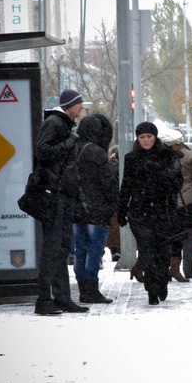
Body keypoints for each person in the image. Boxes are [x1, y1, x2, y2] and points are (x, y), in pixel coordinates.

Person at [33, 88, 90, 315]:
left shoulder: (64, 125)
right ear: (69, 105)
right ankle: (43, 301)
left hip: (64, 195)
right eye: (79, 104)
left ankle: (62, 298)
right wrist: (70, 141)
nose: (82, 107)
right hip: (53, 195)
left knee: (61, 249)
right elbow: (43, 151)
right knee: (52, 249)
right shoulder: (55, 123)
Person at [117, 122, 183, 305]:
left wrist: (164, 181)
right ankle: (151, 290)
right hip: (140, 212)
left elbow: (179, 181)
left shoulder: (167, 156)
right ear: (137, 139)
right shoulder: (132, 158)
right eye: (142, 137)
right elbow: (127, 184)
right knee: (147, 251)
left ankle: (161, 282)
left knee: (162, 251)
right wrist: (121, 209)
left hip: (163, 211)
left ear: (155, 137)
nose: (145, 140)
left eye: (149, 137)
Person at [73, 113, 118, 304]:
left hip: (77, 208)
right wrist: (112, 205)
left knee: (80, 249)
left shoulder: (73, 148)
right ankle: (91, 287)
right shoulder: (98, 153)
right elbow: (109, 183)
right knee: (94, 250)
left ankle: (83, 286)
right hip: (97, 210)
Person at [160, 129, 192, 282]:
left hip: (169, 202)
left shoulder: (161, 157)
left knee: (170, 236)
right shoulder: (191, 156)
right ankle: (189, 270)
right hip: (187, 201)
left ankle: (168, 268)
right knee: (189, 238)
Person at [105, 145, 121, 262]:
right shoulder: (118, 166)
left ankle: (115, 250)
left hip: (111, 200)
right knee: (117, 226)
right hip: (118, 199)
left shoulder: (109, 165)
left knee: (113, 227)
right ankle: (117, 250)